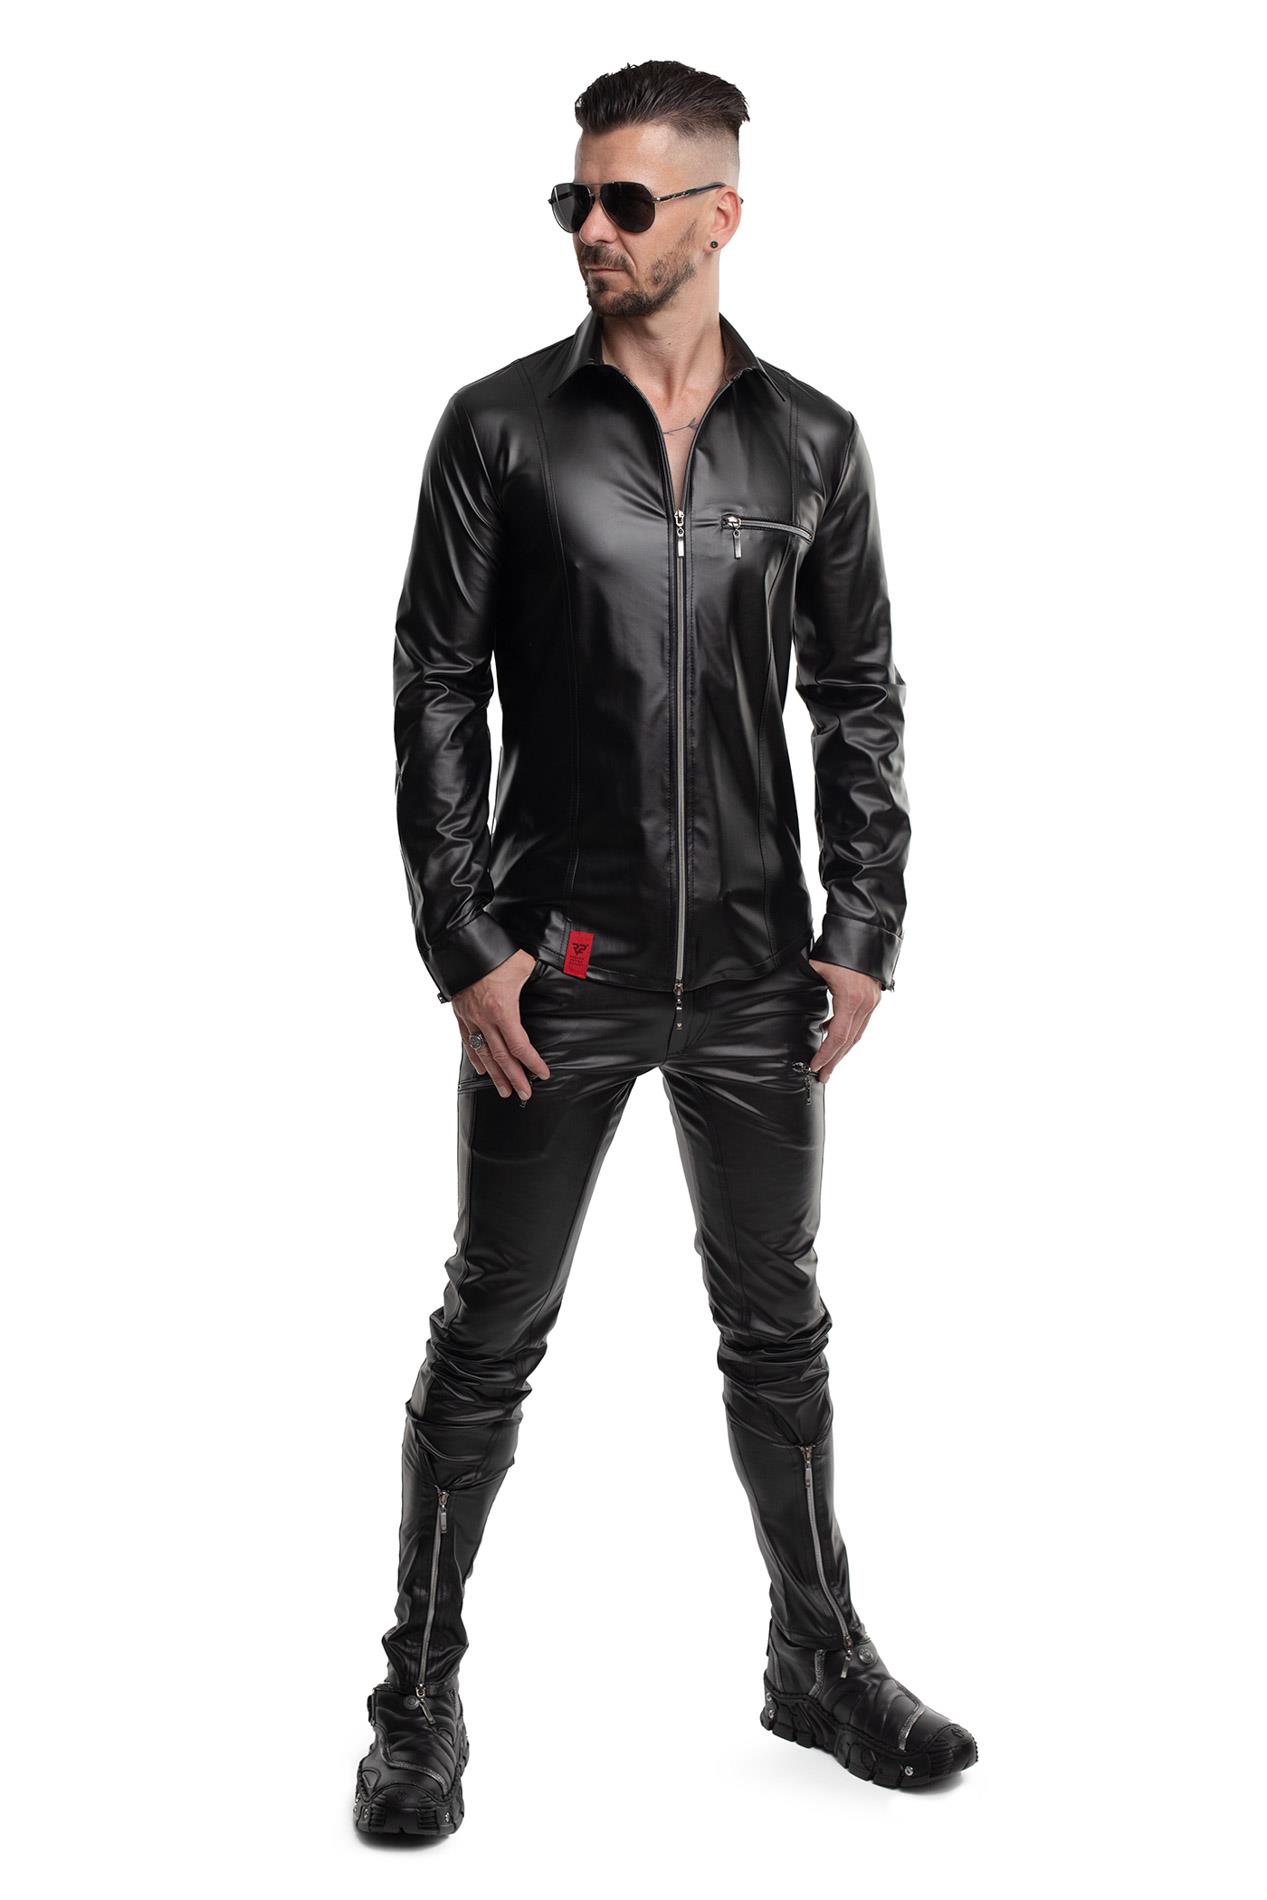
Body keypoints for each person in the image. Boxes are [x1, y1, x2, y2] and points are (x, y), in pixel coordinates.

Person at [353, 58, 976, 1839]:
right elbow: (434, 687)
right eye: (577, 199)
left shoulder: (814, 445)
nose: (592, 231)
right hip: (555, 967)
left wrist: (864, 927)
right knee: (491, 1329)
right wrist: (463, 935)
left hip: (762, 973)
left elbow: (858, 698)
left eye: (628, 203)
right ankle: (415, 1696)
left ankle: (815, 1660)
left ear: (721, 216)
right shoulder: (499, 430)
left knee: (779, 1330)